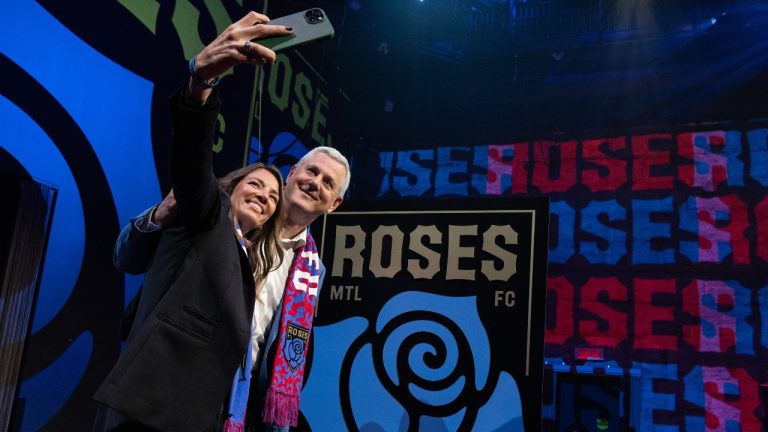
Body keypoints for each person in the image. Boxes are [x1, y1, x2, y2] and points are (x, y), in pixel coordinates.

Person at [97, 11, 352, 432]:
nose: (314, 182)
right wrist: (201, 81)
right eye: (310, 171)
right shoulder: (220, 215)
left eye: (327, 182)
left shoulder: (312, 269)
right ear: (292, 175)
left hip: (232, 411)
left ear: (334, 203)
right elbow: (193, 162)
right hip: (163, 396)